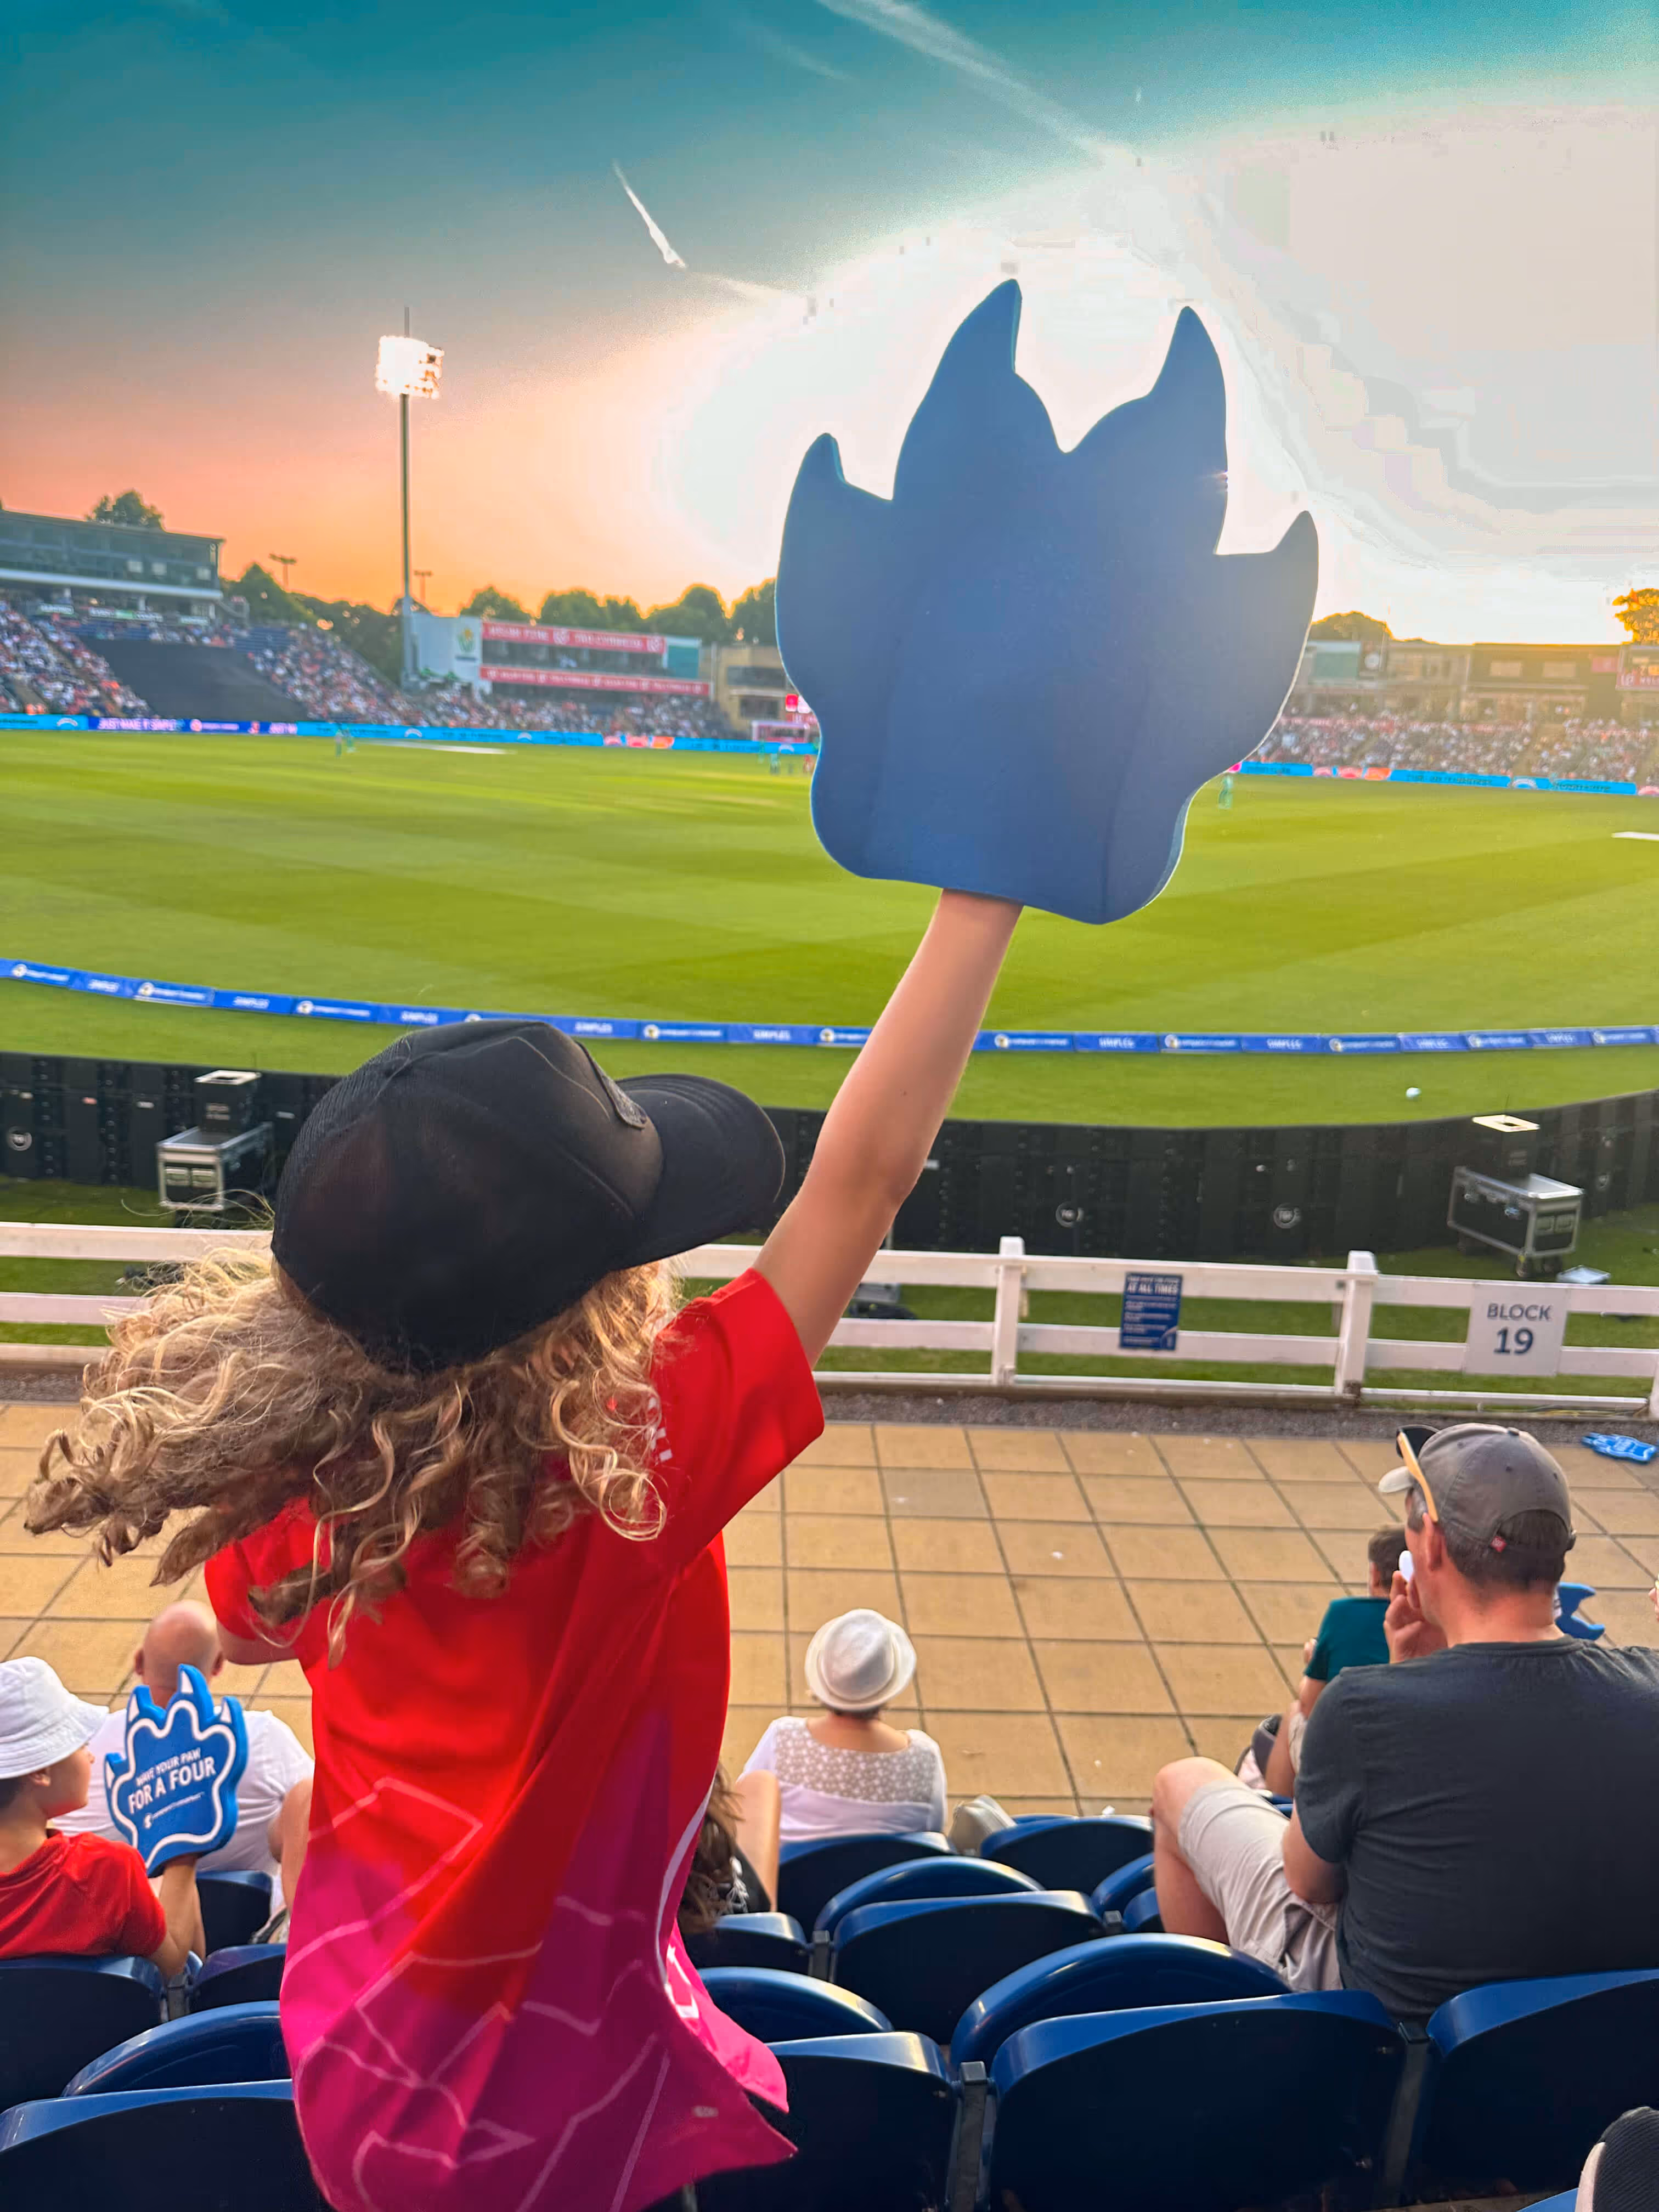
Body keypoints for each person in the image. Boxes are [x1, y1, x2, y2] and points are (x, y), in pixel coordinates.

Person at [27, 884, 1023, 2212]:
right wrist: (983, 899)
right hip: (565, 2118)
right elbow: (866, 1177)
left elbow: (227, 1619)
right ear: (599, 1298)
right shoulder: (640, 1468)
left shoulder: (326, 1502)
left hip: (358, 2084)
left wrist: (192, 1633)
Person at [1151, 1422, 1659, 2024]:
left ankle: (1215, 2028)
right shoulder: (1649, 1687)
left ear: (1433, 1547)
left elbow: (1309, 1884)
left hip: (1398, 2045)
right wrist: (1411, 1674)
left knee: (1180, 1783)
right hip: (1591, 2043)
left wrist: (1399, 1682)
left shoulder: (1363, 1708)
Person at [54, 1602, 313, 1925]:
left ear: (138, 1662)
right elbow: (318, 1821)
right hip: (245, 1930)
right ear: (218, 1664)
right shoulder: (264, 1740)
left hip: (115, 1935)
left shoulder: (80, 1756)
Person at [0, 1657, 204, 1972]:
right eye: (81, 1745)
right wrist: (182, 1849)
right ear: (41, 1771)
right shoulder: (105, 1871)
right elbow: (174, 1963)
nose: (91, 1757)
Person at [741, 1610, 946, 1841]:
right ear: (889, 1686)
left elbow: (742, 1805)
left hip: (790, 1865)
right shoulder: (925, 1759)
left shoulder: (783, 1739)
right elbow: (932, 1833)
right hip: (895, 1866)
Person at [1257, 1526, 1399, 1795]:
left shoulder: (1344, 1613)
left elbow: (1310, 1705)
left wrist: (1313, 1661)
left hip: (1344, 1761)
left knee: (1295, 1713)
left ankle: (1277, 1805)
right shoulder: (1434, 1621)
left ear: (1374, 1574)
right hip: (1401, 1760)